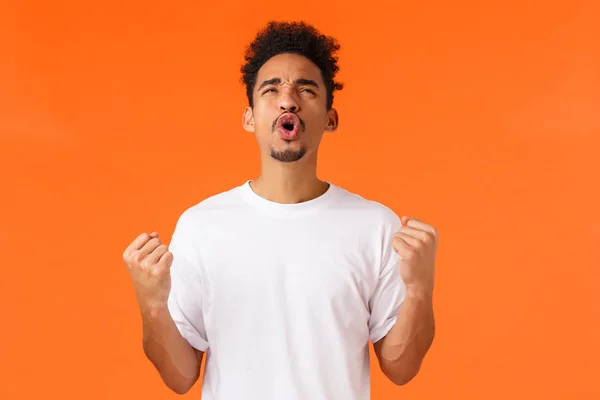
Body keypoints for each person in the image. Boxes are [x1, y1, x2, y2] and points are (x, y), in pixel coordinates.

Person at [122, 20, 438, 400]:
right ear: (250, 117)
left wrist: (420, 287)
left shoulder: (375, 226)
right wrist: (152, 303)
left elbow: (401, 368)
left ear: (330, 118)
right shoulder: (201, 226)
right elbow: (180, 376)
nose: (288, 100)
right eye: (271, 89)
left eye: (306, 89)